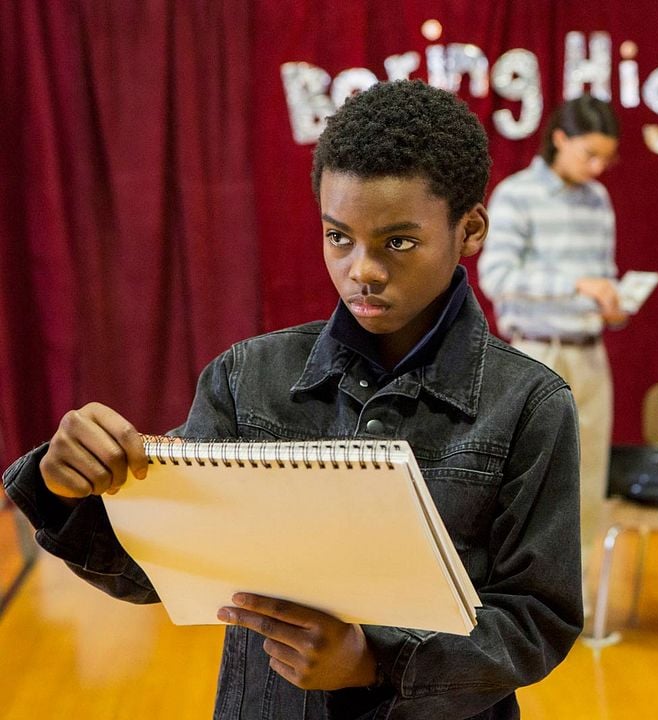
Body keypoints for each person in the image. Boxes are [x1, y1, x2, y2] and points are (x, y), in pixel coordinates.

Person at [2, 80, 582, 720]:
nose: (363, 268)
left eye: (398, 241)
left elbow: (537, 619)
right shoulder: (246, 378)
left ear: (470, 229)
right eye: (339, 237)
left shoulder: (531, 403)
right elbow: (159, 571)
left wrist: (375, 660)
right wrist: (66, 490)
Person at [477, 95, 624, 587]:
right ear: (560, 139)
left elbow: (603, 277)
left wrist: (612, 302)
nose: (599, 166)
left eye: (607, 157)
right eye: (590, 154)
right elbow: (496, 275)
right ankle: (521, 593)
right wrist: (574, 285)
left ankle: (574, 599)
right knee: (533, 478)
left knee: (589, 479)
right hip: (536, 352)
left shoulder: (598, 200)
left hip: (589, 351)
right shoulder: (517, 195)